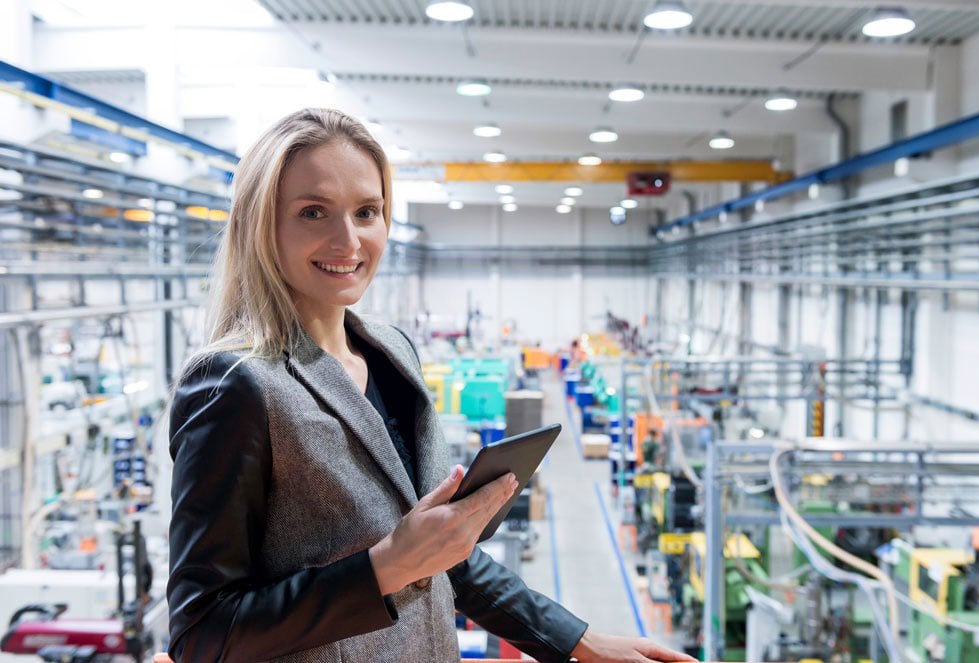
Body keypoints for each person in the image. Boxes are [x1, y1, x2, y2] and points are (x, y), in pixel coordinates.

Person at [167, 108, 696, 663]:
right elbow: (201, 633)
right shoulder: (234, 385)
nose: (348, 240)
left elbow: (445, 558)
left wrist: (576, 642)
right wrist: (386, 567)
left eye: (367, 211)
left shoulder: (393, 353)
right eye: (313, 211)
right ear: (261, 224)